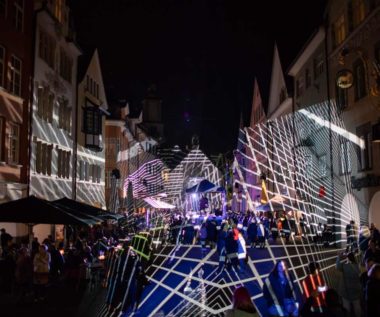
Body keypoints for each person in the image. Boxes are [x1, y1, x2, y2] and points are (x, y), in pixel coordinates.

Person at [335, 252, 361, 317]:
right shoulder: (357, 266)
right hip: (355, 292)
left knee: (346, 309)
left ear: (348, 258)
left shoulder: (345, 266)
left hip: (346, 292)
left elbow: (337, 267)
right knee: (357, 308)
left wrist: (339, 257)